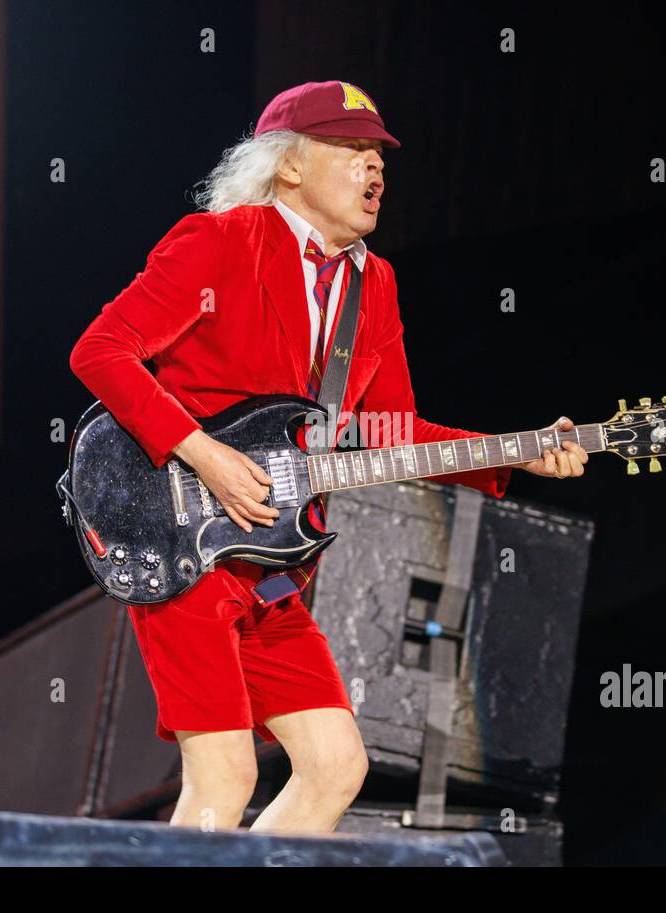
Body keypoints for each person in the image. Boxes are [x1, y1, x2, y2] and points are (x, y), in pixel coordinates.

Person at [69, 80, 587, 834]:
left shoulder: (372, 283)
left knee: (336, 767)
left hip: (276, 564)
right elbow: (100, 352)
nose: (373, 168)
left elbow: (390, 434)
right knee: (224, 774)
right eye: (350, 150)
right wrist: (204, 454)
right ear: (289, 166)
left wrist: (521, 452)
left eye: (378, 154)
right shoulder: (219, 241)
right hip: (179, 536)